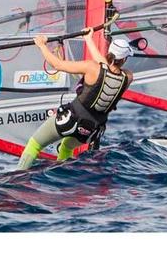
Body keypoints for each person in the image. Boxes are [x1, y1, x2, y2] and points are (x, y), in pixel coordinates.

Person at [15, 32, 134, 170]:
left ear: (109, 53)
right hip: (92, 130)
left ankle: (18, 178)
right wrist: (88, 39)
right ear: (124, 59)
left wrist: (42, 45)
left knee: (35, 144)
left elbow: (57, 65)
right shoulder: (128, 77)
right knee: (66, 147)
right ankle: (61, 180)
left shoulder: (91, 67)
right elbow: (106, 67)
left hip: (71, 120)